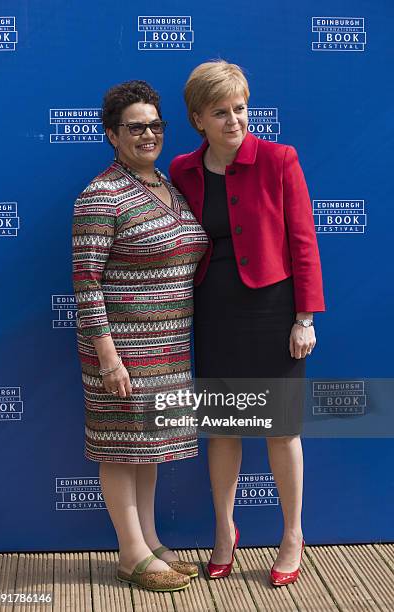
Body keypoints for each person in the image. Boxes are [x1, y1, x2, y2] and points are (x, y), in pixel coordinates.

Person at [169, 61, 325, 586]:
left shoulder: (279, 159)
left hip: (273, 311)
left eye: (240, 108)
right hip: (213, 313)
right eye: (221, 111)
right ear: (198, 118)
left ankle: (292, 535)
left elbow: (304, 242)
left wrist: (304, 318)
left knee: (282, 431)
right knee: (222, 430)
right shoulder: (183, 171)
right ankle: (223, 530)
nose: (234, 120)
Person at [72, 80, 208, 592]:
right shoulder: (101, 194)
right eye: (135, 127)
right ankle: (130, 554)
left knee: (147, 448)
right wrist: (108, 357)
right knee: (120, 448)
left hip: (169, 348)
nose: (148, 134)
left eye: (155, 125)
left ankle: (148, 540)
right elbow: (85, 282)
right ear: (112, 134)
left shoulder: (167, 185)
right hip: (122, 349)